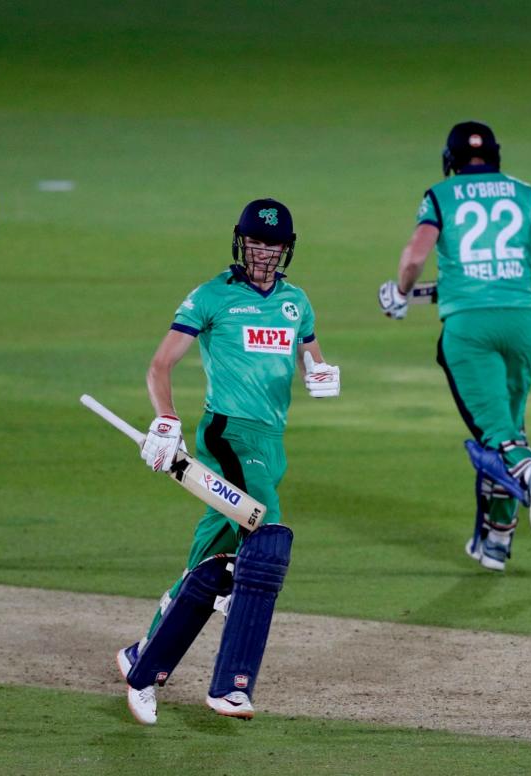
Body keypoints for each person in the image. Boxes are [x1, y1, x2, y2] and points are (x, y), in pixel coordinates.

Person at [115, 198, 340, 725]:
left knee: (207, 560)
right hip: (229, 434)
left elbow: (311, 355)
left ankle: (142, 654)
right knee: (265, 539)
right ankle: (231, 686)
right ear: (242, 243)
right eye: (257, 243)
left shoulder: (296, 303)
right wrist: (166, 419)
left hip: (270, 440)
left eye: (275, 245)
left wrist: (321, 374)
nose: (265, 254)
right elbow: (159, 365)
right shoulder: (212, 296)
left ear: (287, 250)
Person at [377, 121, 531, 573]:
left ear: (451, 159)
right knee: (506, 426)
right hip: (521, 323)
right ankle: (495, 542)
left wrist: (399, 294)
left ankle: (529, 476)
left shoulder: (439, 196)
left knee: (498, 438)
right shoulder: (525, 192)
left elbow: (413, 257)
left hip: (469, 328)